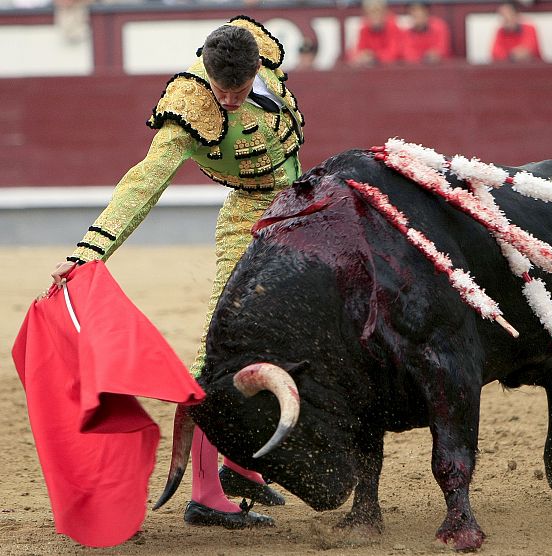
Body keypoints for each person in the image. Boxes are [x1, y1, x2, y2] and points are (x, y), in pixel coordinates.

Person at [49, 16, 304, 529]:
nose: (226, 100)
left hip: (298, 209)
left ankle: (239, 466)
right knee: (220, 349)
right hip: (248, 220)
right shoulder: (189, 107)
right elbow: (142, 183)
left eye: (237, 90)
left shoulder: (258, 49)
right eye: (219, 89)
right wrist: (88, 252)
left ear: (256, 67)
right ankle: (205, 494)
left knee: (281, 337)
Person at [349, 0, 403, 67]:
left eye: (378, 11)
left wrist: (374, 56)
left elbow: (394, 54)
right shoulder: (364, 30)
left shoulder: (393, 28)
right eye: (371, 12)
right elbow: (356, 53)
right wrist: (361, 57)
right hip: (370, 71)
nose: (375, 16)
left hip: (392, 70)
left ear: (384, 13)